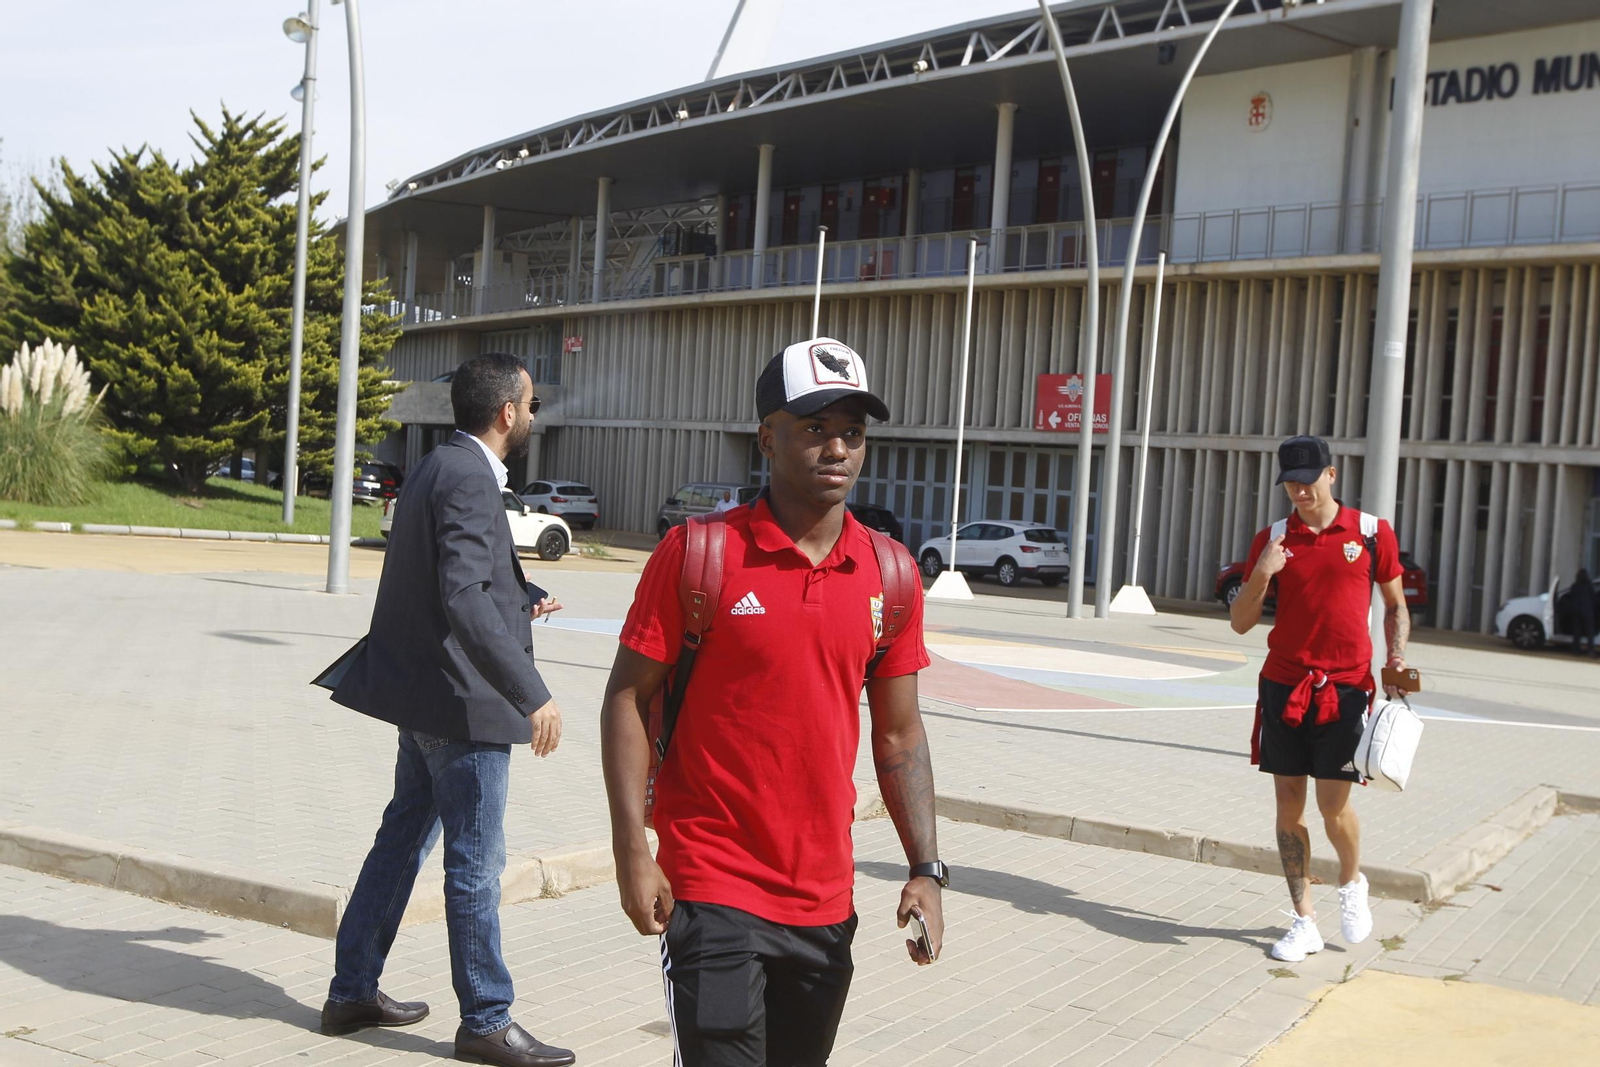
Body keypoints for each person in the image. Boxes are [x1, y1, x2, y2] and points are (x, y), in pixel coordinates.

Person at [600, 337, 945, 1067]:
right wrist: (633, 846)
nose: (837, 448)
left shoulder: (889, 574)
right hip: (711, 883)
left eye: (852, 431)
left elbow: (900, 737)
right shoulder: (701, 554)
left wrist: (926, 869)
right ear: (767, 437)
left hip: (825, 901)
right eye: (815, 428)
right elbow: (627, 699)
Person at [321, 353, 575, 1067]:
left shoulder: (439, 466)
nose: (531, 417)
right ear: (505, 413)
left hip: (426, 697)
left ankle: (352, 989)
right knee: (473, 862)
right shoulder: (468, 476)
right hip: (465, 708)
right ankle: (487, 1019)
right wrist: (533, 691)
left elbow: (455, 578)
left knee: (402, 839)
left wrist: (521, 601)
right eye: (529, 407)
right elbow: (462, 595)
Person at [1231, 434, 1412, 964]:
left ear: (1331, 475)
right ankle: (1304, 920)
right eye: (1290, 482)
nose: (1300, 491)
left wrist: (1395, 660)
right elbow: (1242, 623)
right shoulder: (1274, 537)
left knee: (1334, 808)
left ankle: (1352, 883)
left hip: (1347, 690)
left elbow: (1396, 606)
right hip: (1284, 684)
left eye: (1308, 480)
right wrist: (1264, 571)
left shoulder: (1371, 532)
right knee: (1289, 805)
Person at [1571, 568, 1596, 658]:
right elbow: (1593, 597)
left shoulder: (1574, 586)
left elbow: (1571, 597)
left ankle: (1576, 650)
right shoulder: (1589, 585)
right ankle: (1590, 651)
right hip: (1587, 611)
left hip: (1576, 612)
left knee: (1577, 633)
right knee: (1590, 633)